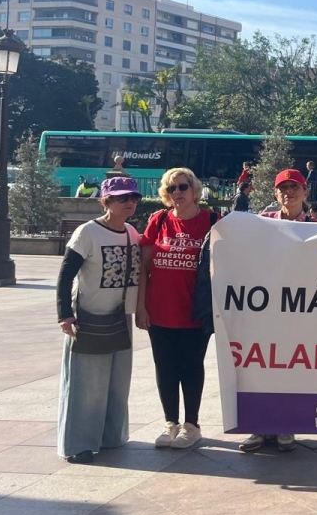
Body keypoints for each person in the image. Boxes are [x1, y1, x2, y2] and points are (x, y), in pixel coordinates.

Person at [55, 177, 142, 464]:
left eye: (133, 197)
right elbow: (66, 274)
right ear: (105, 201)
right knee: (86, 385)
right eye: (121, 198)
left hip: (120, 317)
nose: (129, 202)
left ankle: (110, 437)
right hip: (89, 318)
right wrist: (64, 314)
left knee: (117, 383)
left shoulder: (132, 232)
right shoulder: (87, 232)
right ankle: (79, 444)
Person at [238, 168, 317, 453]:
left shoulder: (316, 225)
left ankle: (286, 425)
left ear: (305, 192)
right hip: (265, 310)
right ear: (275, 194)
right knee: (260, 368)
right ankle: (258, 427)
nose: (289, 192)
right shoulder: (261, 223)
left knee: (291, 370)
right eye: (283, 188)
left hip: (300, 312)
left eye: (295, 187)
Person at [136, 168, 216, 451]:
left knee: (191, 366)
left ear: (195, 191)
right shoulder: (158, 221)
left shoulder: (212, 221)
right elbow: (144, 268)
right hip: (160, 310)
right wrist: (140, 307)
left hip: (195, 310)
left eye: (183, 187)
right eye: (171, 189)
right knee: (165, 367)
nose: (177, 193)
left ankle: (191, 425)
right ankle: (171, 422)